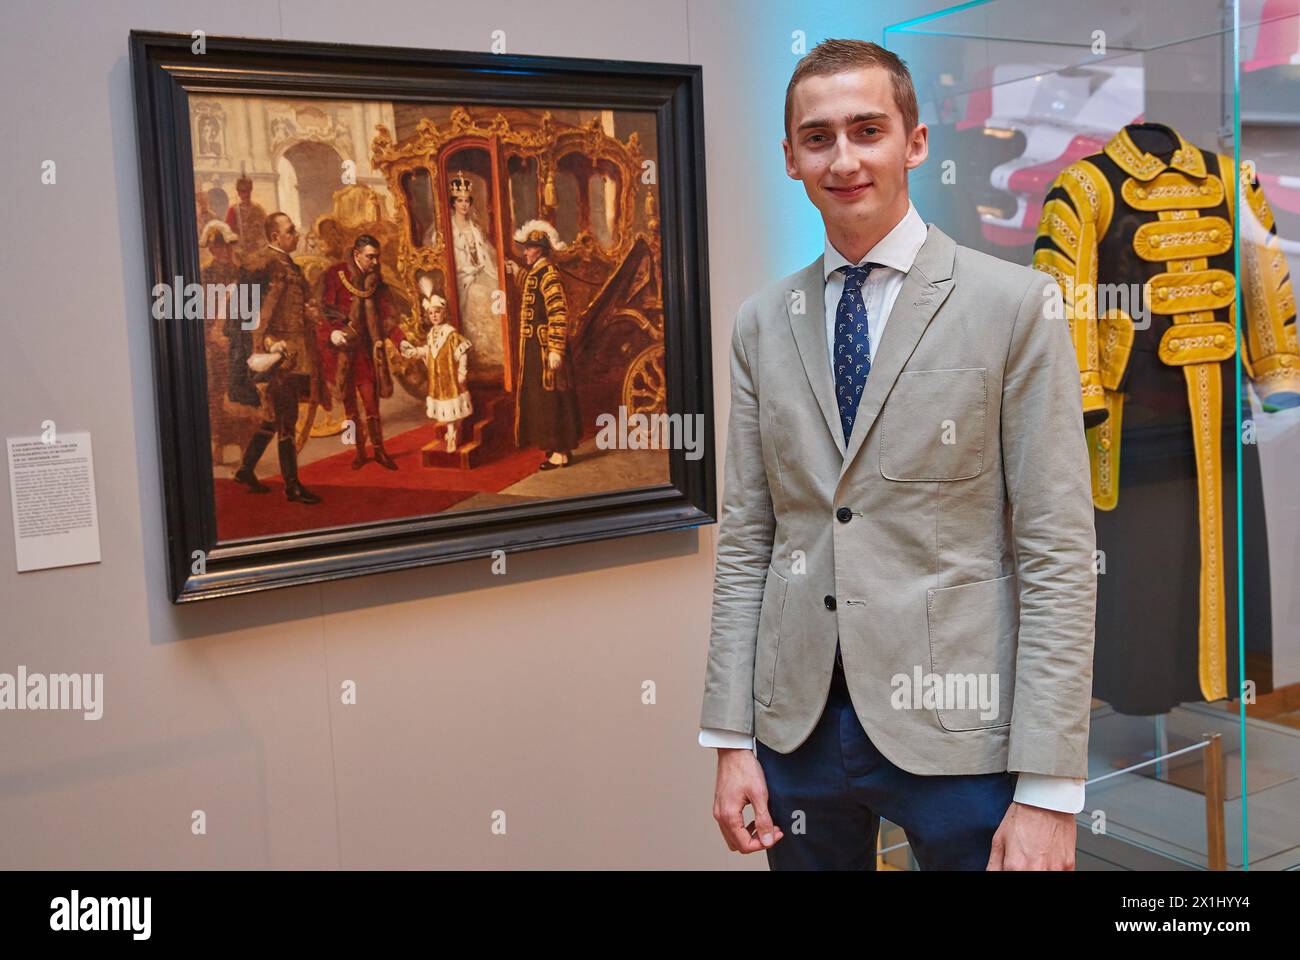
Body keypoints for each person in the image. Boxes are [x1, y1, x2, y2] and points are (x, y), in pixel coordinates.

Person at [698, 39, 1097, 871]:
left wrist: (1050, 791)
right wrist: (732, 738)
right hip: (798, 734)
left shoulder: (1016, 307)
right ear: (790, 159)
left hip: (963, 738)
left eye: (867, 129)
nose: (843, 158)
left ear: (914, 143)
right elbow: (748, 543)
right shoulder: (760, 324)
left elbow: (1058, 554)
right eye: (818, 138)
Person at [230, 212, 324, 504]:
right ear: (276, 237)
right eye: (291, 230)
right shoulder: (265, 266)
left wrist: (310, 315)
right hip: (278, 355)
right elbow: (257, 314)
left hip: (295, 353)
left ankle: (245, 469)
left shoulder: (288, 263)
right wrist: (268, 343)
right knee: (286, 417)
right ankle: (292, 485)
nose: (296, 234)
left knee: (274, 417)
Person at [317, 234, 416, 470]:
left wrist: (401, 342)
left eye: (377, 257)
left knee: (371, 403)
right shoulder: (334, 275)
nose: (375, 262)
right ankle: (360, 452)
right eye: (371, 257)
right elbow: (320, 312)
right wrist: (332, 333)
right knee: (350, 405)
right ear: (356, 254)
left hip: (365, 352)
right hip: (340, 351)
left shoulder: (375, 281)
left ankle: (380, 451)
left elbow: (387, 317)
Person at [506, 220, 582, 469]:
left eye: (529, 248)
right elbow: (530, 291)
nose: (525, 252)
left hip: (545, 350)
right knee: (542, 400)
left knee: (554, 400)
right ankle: (553, 450)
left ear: (540, 250)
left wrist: (555, 349)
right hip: (534, 350)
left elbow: (558, 313)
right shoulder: (536, 273)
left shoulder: (549, 274)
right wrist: (515, 272)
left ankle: (561, 452)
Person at [447, 172, 506, 375]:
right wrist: (470, 271)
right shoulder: (448, 230)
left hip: (480, 272)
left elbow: (486, 254)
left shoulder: (475, 228)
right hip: (462, 277)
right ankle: (479, 351)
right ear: (453, 203)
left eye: (466, 201)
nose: (463, 205)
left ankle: (497, 351)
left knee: (497, 291)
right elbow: (451, 260)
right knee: (479, 294)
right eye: (459, 201)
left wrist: (490, 269)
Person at [400, 293, 473, 452]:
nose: (434, 316)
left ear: (444, 313)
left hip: (450, 376)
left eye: (437, 312)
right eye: (431, 313)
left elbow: (462, 352)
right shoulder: (431, 333)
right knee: (446, 406)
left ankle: (453, 433)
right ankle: (453, 430)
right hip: (438, 378)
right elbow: (430, 351)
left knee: (452, 403)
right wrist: (415, 352)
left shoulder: (450, 333)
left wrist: (462, 371)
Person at [225, 175, 267, 262]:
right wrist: (237, 248)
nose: (247, 194)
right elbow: (228, 234)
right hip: (239, 252)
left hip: (257, 251)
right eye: (243, 191)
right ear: (238, 192)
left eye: (248, 191)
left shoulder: (258, 209)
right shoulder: (233, 210)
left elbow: (265, 231)